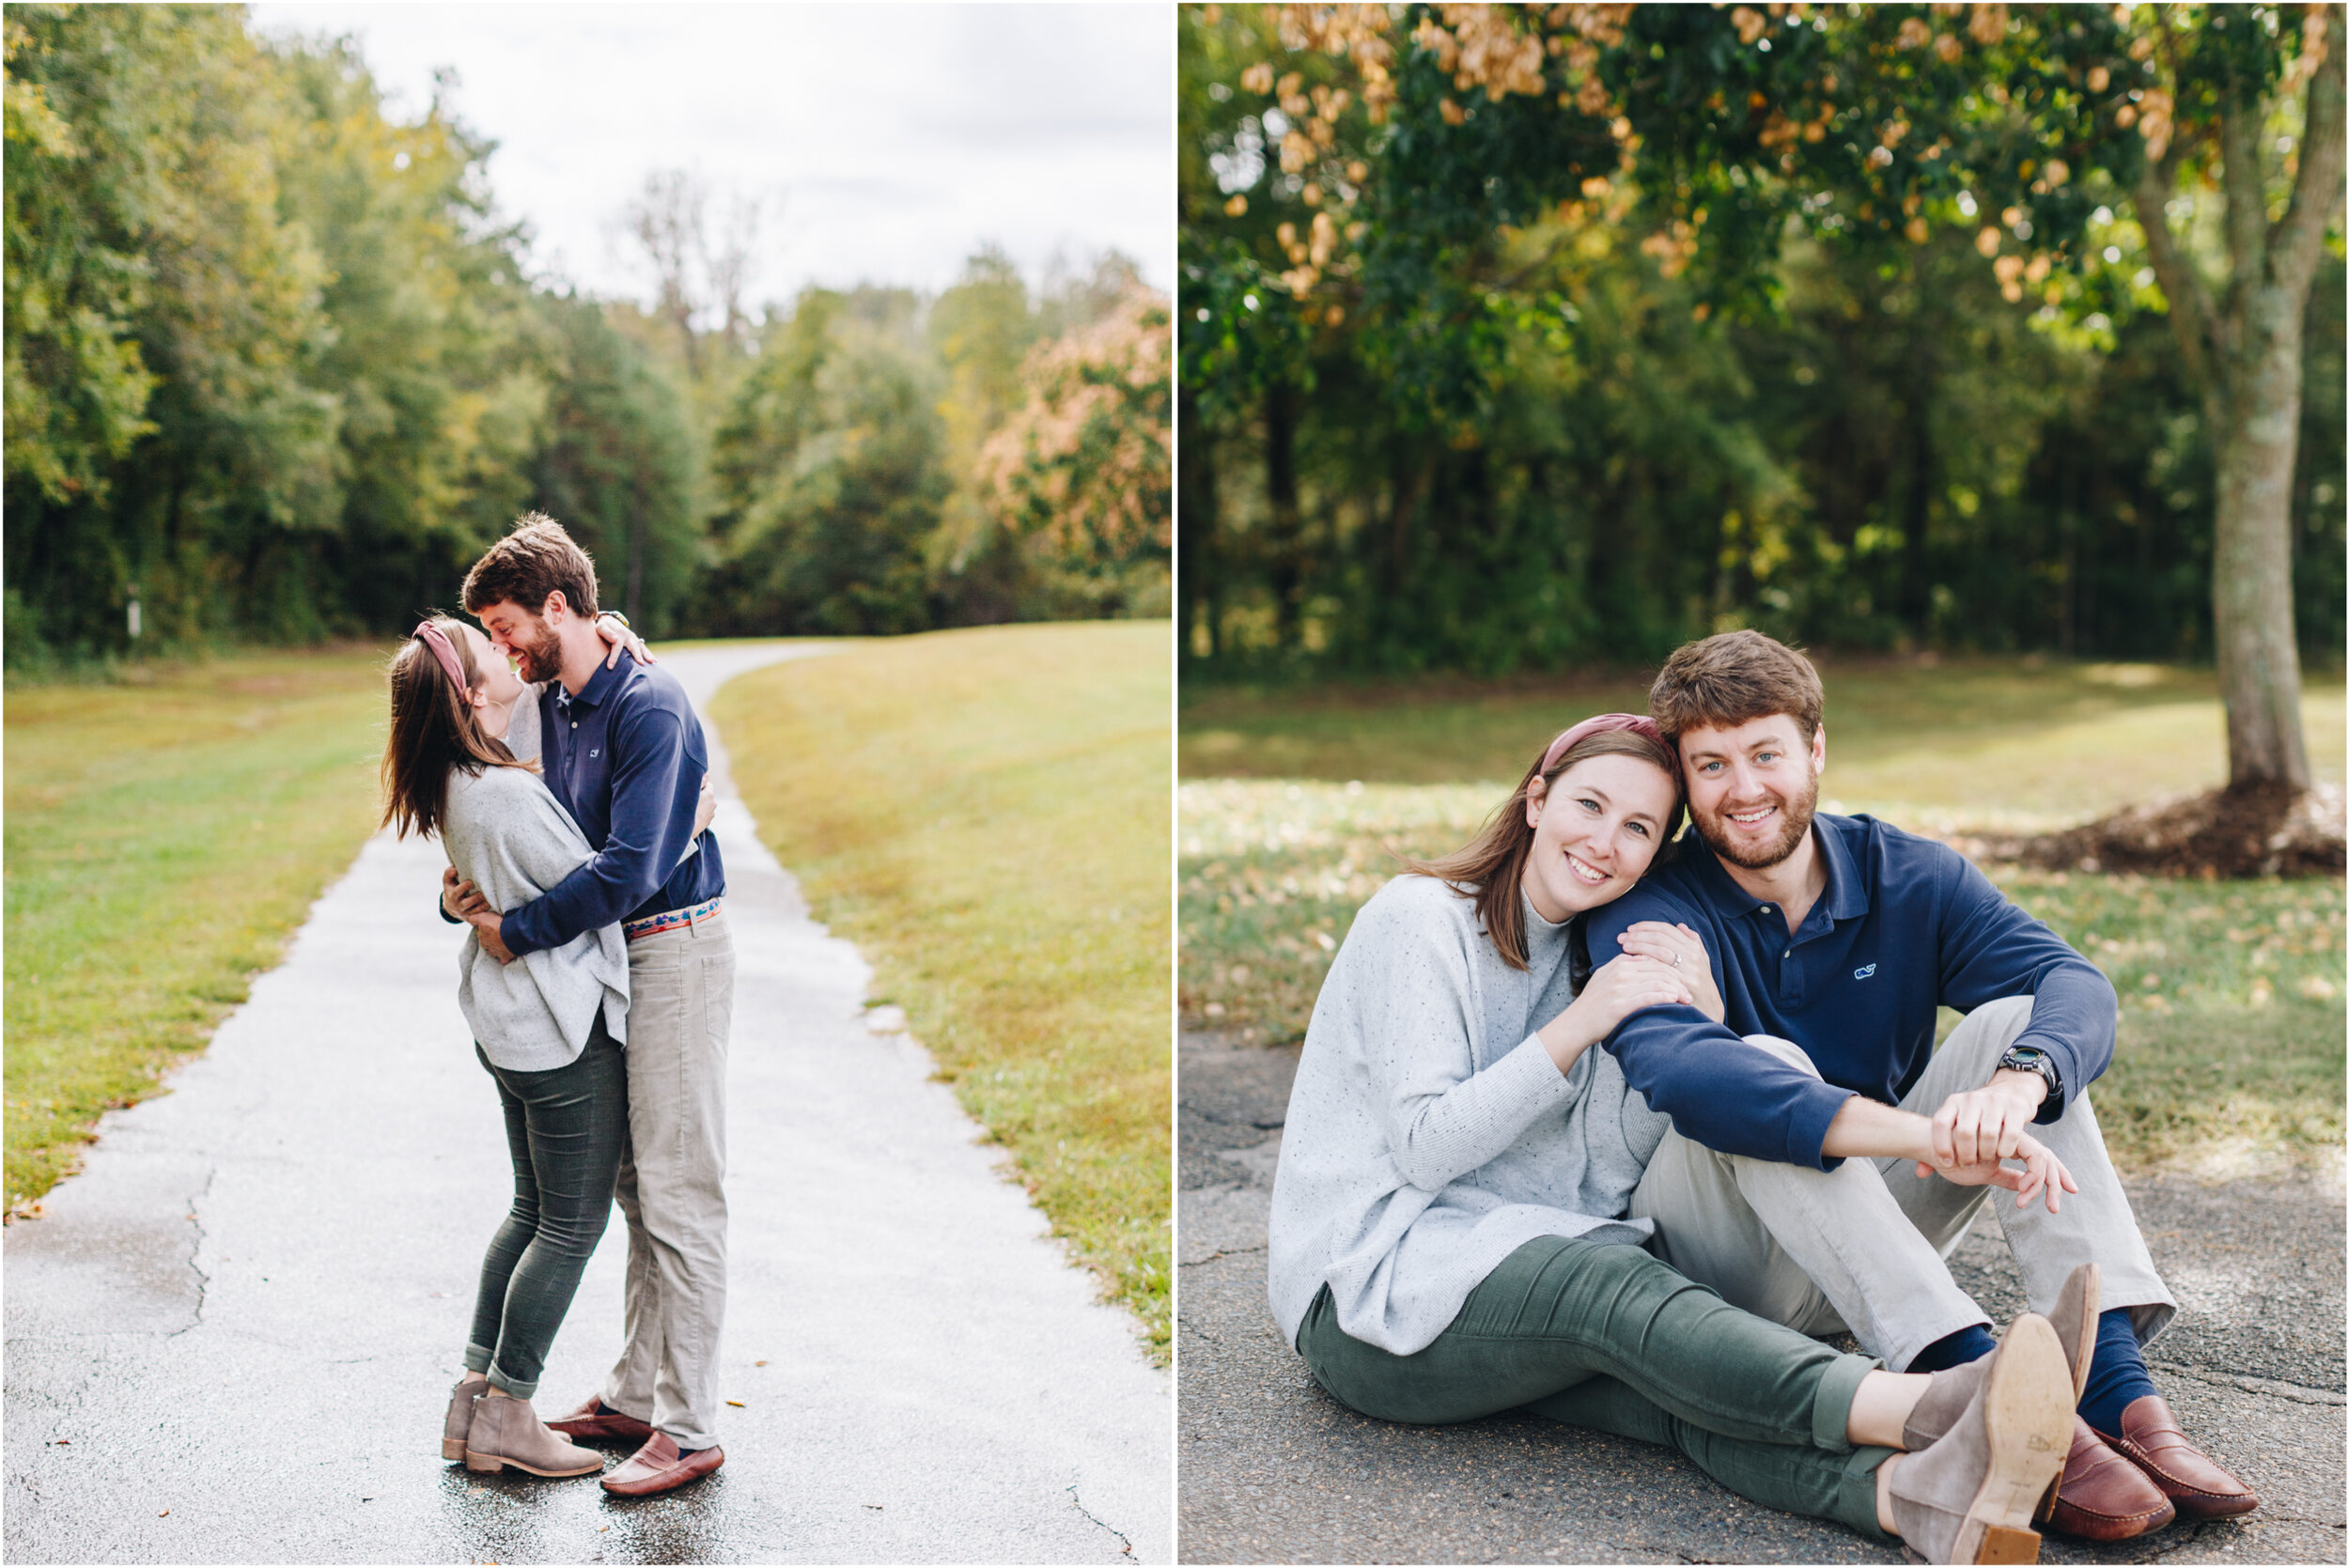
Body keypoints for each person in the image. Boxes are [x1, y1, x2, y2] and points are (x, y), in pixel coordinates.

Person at [1268, 714, 2084, 1564]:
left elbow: (1605, 1180)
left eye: (1639, 829)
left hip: (1517, 1280)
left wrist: (1707, 1020)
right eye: (1589, 805)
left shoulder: (1613, 953)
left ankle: (1917, 1500)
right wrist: (1584, 1024)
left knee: (1679, 1393)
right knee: (1610, 1290)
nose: (1604, 843)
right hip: (1373, 1291)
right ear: (1536, 800)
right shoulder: (1422, 920)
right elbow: (1427, 1146)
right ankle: (1947, 1404)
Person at [1584, 630, 2256, 1543]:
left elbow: (2075, 986)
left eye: (1765, 753)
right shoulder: (1651, 904)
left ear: (1816, 750)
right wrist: (1916, 1134)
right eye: (1710, 764)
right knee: (1764, 1070)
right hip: (1719, 1266)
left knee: (2013, 1031)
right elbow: (1685, 1077)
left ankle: (2117, 1393)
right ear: (1685, 780)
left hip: (1865, 1248)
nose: (1742, 789)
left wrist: (2019, 1086)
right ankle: (1978, 1395)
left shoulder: (1908, 876)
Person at [443, 515, 737, 1498]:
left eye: (504, 622)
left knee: (682, 1190)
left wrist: (512, 930)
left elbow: (625, 872)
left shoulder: (650, 702)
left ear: (558, 606)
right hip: (605, 965)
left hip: (672, 950)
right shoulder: (550, 704)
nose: (499, 644)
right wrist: (462, 896)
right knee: (632, 1187)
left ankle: (690, 1427)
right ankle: (632, 1397)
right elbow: (506, 838)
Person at [383, 616, 629, 1481]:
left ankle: (474, 1397)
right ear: (470, 691)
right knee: (569, 1222)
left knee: (529, 1210)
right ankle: (513, 1412)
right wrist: (693, 813)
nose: (507, 651)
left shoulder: (457, 776)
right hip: (557, 1033)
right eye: (489, 647)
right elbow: (602, 882)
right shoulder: (505, 795)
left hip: (509, 1028)